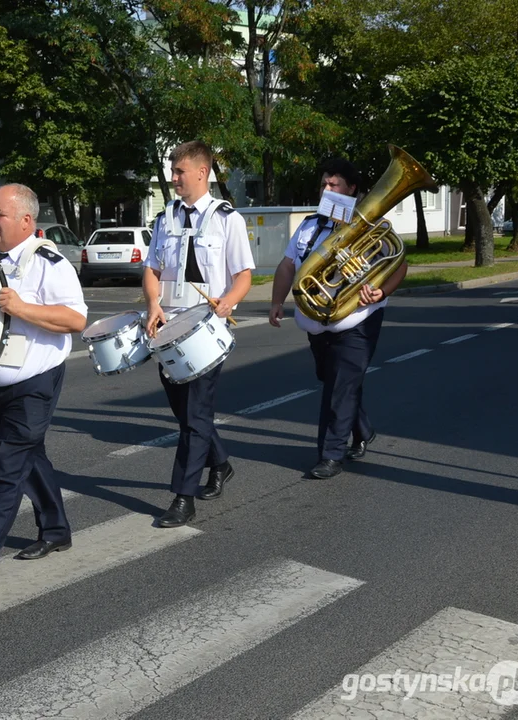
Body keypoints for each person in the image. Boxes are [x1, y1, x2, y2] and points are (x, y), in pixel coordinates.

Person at [0, 184, 86, 592]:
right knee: (26, 456)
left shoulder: (49, 261)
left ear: (26, 221)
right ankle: (56, 528)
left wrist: (21, 307)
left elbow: (75, 319)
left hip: (34, 382)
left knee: (5, 470)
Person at [268, 157, 406, 479]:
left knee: (340, 387)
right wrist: (276, 301)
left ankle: (330, 455)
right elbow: (289, 265)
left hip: (357, 321)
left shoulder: (372, 227)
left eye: (334, 185)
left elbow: (399, 265)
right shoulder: (309, 225)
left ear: (351, 188)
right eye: (323, 184)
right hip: (317, 322)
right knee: (334, 382)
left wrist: (381, 292)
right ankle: (362, 430)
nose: (327, 189)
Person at [143, 140, 254, 529]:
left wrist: (228, 301)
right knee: (185, 411)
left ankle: (182, 496)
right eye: (173, 171)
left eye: (179, 172)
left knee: (194, 413)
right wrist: (153, 304)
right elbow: (153, 270)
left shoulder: (228, 219)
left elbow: (243, 276)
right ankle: (220, 463)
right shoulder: (165, 219)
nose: (173, 178)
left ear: (202, 173)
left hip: (206, 329)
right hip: (168, 328)